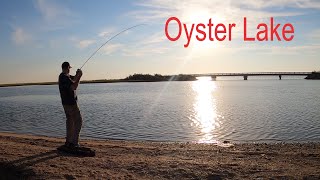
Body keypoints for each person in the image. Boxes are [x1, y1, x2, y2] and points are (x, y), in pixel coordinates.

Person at [58, 62, 83, 148]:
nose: (69, 70)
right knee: (79, 121)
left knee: (70, 122)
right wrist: (79, 76)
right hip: (71, 104)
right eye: (69, 68)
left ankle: (68, 141)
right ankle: (74, 142)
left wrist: (77, 74)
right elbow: (73, 87)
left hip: (66, 103)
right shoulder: (64, 77)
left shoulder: (65, 76)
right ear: (67, 67)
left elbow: (73, 79)